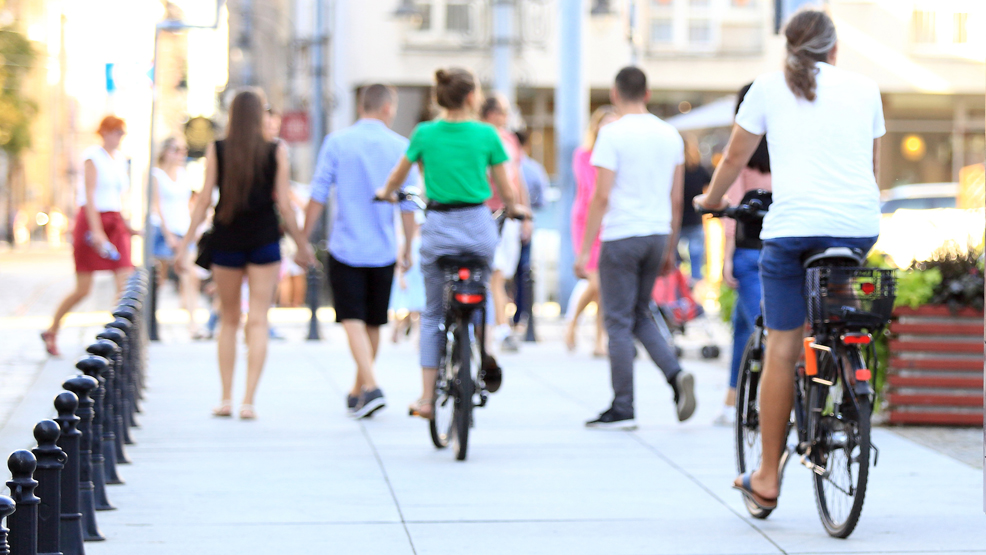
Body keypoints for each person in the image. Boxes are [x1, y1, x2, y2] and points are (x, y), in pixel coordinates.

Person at [695, 9, 885, 510]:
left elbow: (734, 159)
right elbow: (869, 169)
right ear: (834, 49)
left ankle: (766, 478)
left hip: (793, 231)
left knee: (783, 347)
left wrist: (710, 202)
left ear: (789, 47)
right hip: (857, 228)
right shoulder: (866, 89)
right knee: (832, 317)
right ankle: (839, 365)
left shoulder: (767, 86)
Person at [375, 67, 529, 420]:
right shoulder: (487, 135)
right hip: (477, 227)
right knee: (483, 290)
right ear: (473, 97)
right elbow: (506, 191)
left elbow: (397, 177)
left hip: (440, 227)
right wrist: (517, 208)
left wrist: (385, 193)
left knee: (432, 312)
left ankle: (427, 399)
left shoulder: (425, 133)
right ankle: (485, 346)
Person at [176, 88, 315, 420]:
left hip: (226, 239)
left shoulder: (218, 149)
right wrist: (301, 244)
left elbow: (205, 199)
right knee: (258, 320)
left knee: (228, 320)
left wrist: (185, 244)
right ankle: (248, 401)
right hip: (264, 240)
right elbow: (283, 202)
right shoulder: (275, 151)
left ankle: (225, 398)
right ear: (259, 115)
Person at [575, 67, 697, 430]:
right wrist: (669, 249)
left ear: (615, 93)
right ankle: (676, 376)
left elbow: (600, 196)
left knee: (616, 320)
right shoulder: (670, 134)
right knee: (639, 314)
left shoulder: (611, 134)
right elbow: (677, 200)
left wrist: (583, 252)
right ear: (647, 92)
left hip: (622, 236)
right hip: (657, 233)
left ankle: (623, 406)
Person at [303, 84, 418, 419]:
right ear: (387, 107)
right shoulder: (401, 146)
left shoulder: (338, 142)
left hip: (346, 245)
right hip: (382, 247)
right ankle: (365, 388)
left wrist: (303, 239)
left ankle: (366, 387)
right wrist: (408, 246)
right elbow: (408, 204)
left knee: (352, 318)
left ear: (362, 106)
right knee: (372, 323)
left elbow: (319, 191)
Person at [42, 115, 136, 357]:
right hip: (93, 220)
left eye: (122, 133)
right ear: (104, 132)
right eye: (116, 132)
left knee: (125, 281)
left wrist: (128, 225)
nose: (119, 137)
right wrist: (96, 231)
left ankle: (118, 339)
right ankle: (52, 329)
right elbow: (90, 195)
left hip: (114, 222)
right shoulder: (93, 157)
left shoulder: (121, 160)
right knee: (83, 288)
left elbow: (119, 197)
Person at [713, 84, 772, 427]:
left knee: (762, 328)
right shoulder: (782, 149)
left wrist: (726, 259)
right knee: (741, 327)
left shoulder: (740, 153)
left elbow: (732, 213)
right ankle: (731, 400)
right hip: (780, 246)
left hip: (750, 252)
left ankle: (767, 400)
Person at [479, 94, 531, 353]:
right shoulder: (479, 136)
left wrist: (525, 213)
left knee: (503, 274)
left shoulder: (509, 140)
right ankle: (502, 328)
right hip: (487, 211)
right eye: (503, 110)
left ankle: (499, 325)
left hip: (508, 214)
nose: (507, 115)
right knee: (496, 274)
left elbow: (517, 178)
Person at [566, 105, 618, 357]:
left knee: (604, 288)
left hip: (610, 220)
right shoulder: (583, 155)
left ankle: (600, 340)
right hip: (587, 221)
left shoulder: (619, 154)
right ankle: (572, 322)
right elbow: (592, 191)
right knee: (596, 282)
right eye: (604, 123)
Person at [151, 136, 201, 339]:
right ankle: (152, 323)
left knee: (190, 276)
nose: (181, 154)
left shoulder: (184, 174)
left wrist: (194, 228)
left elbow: (189, 203)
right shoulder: (156, 175)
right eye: (176, 149)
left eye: (183, 150)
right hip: (164, 231)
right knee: (158, 280)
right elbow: (156, 205)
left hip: (183, 229)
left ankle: (193, 325)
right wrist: (168, 234)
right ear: (166, 151)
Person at [511, 129, 548, 333]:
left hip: (500, 220)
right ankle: (518, 317)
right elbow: (542, 201)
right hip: (524, 222)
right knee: (522, 271)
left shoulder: (508, 163)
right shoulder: (534, 169)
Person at [678, 137, 712, 285]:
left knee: (675, 266)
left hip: (677, 223)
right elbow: (710, 189)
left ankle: (679, 298)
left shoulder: (674, 172)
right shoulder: (699, 169)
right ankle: (695, 299)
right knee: (696, 266)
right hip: (696, 220)